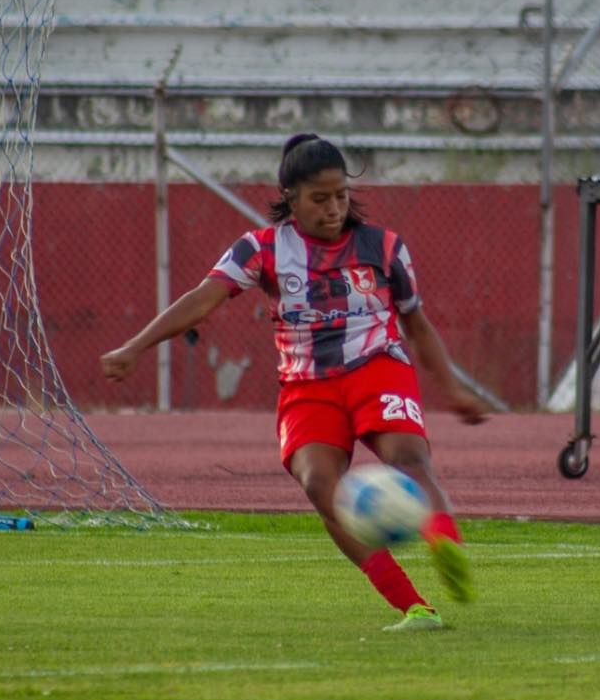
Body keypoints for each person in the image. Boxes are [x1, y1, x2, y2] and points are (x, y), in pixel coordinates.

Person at [100, 133, 487, 632]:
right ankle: (414, 606)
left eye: (341, 196)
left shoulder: (384, 246)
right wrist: (135, 347)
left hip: (377, 366)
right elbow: (201, 299)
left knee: (408, 458)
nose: (334, 209)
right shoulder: (260, 249)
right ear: (291, 198)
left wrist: (452, 388)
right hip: (308, 387)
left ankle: (444, 542)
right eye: (320, 199)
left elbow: (417, 323)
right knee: (319, 483)